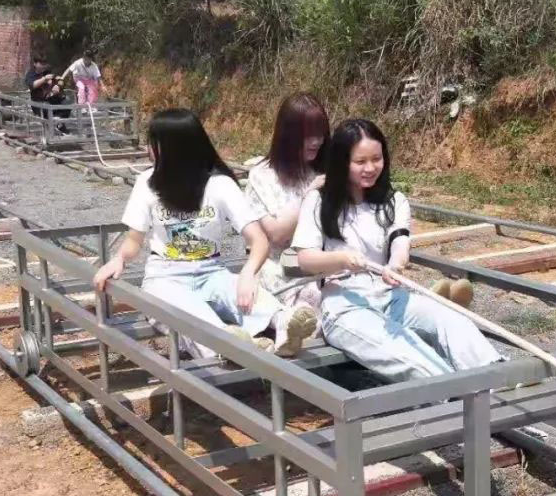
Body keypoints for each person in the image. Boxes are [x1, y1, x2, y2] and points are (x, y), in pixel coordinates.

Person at [92, 108, 316, 361]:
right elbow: (134, 240)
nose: (148, 150)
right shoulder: (147, 182)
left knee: (239, 290)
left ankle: (284, 324)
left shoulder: (219, 185)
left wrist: (247, 274)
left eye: (153, 143)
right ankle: (227, 346)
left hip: (211, 270)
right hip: (165, 276)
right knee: (188, 312)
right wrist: (119, 259)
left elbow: (259, 240)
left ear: (173, 148)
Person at [293, 118, 501, 383]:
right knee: (410, 356)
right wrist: (341, 259)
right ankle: (458, 396)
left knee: (450, 319)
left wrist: (395, 266)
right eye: (360, 162)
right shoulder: (319, 201)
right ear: (341, 162)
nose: (371, 168)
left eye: (376, 159)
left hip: (391, 296)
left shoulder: (394, 201)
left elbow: (400, 243)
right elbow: (305, 259)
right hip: (344, 305)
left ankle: (501, 378)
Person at [244, 92, 330, 319]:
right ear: (288, 135)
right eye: (308, 135)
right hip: (280, 265)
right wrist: (308, 194)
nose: (316, 141)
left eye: (320, 133)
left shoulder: (323, 169)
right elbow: (277, 235)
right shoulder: (262, 177)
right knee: (311, 296)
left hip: (323, 261)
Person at [24, 54, 68, 133]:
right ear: (35, 64)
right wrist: (44, 79)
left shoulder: (48, 71)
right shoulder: (31, 74)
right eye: (41, 63)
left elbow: (60, 79)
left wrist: (58, 86)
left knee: (66, 101)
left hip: (51, 99)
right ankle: (51, 127)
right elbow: (32, 85)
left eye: (44, 63)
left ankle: (60, 123)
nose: (43, 66)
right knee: (46, 106)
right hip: (38, 102)